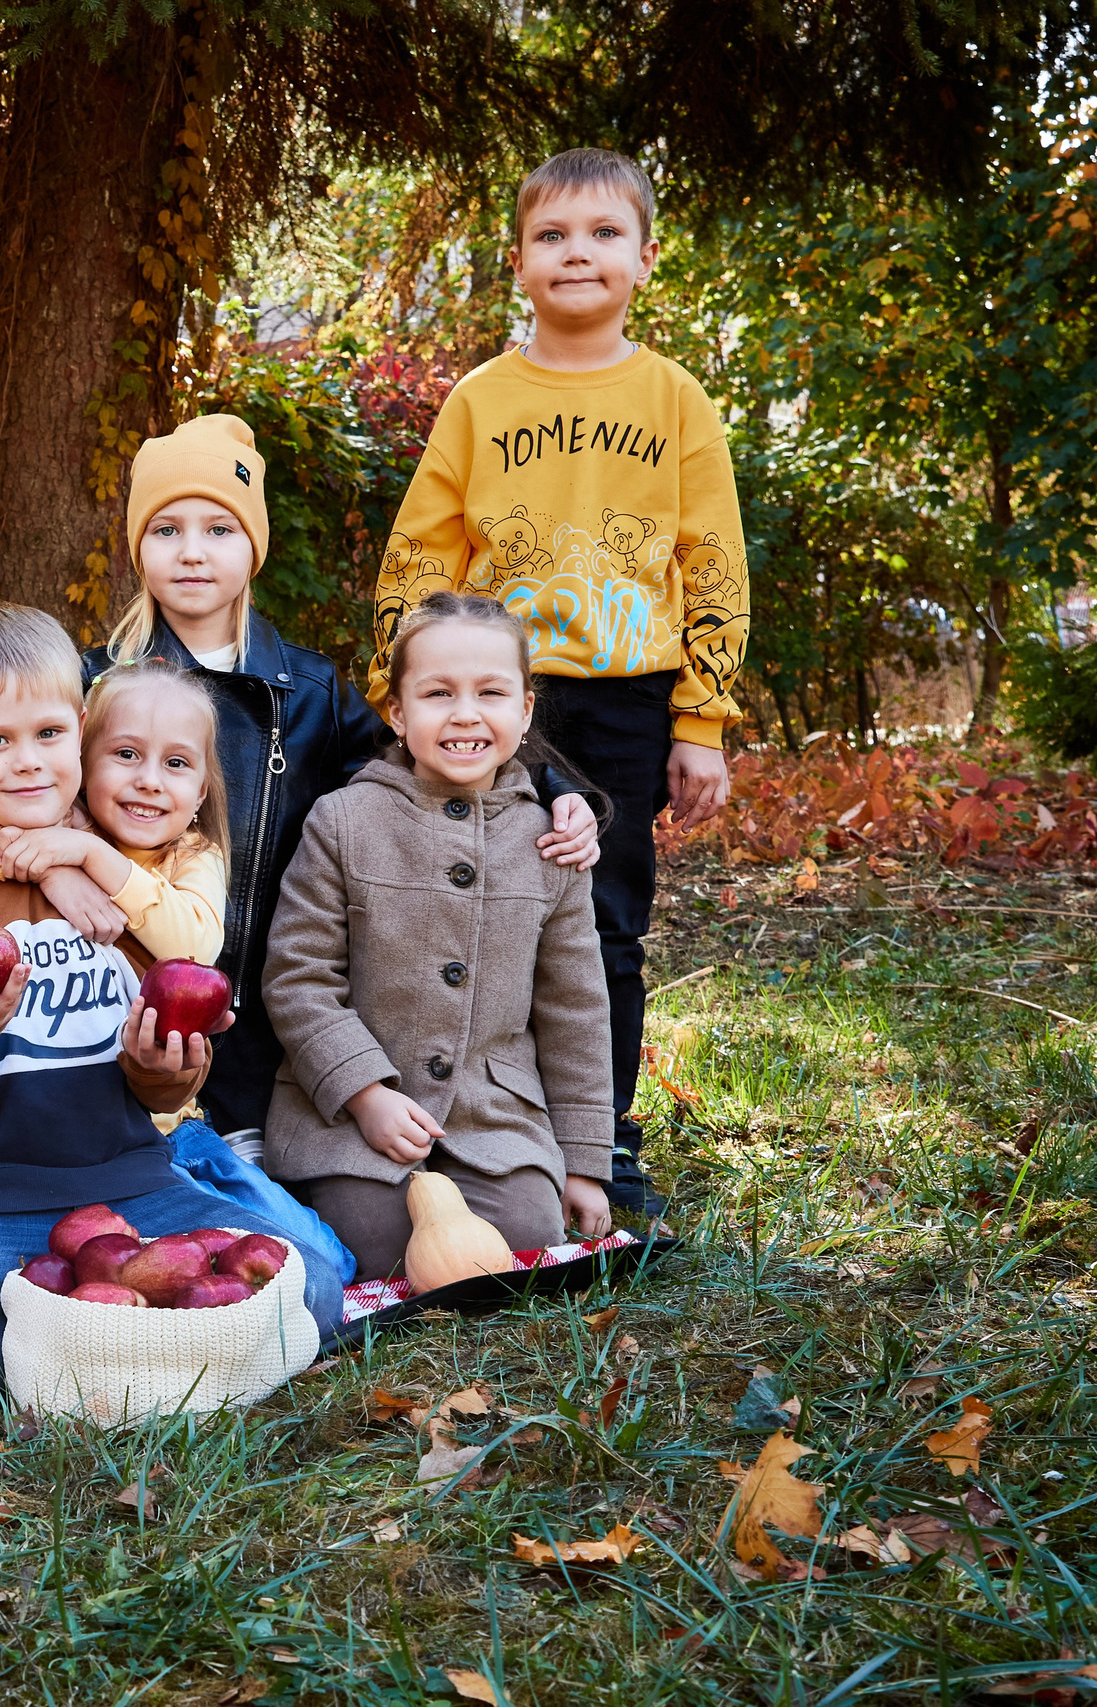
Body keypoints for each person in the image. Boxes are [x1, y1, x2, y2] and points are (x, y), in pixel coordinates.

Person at [368, 147, 748, 1218]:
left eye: (601, 234)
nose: (576, 253)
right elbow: (421, 552)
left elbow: (711, 561)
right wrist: (396, 696)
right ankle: (474, 1119)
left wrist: (700, 717)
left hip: (628, 695)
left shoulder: (676, 401)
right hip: (486, 702)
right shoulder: (481, 401)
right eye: (551, 235)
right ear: (519, 260)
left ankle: (599, 1138)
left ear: (643, 256)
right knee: (474, 906)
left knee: (600, 920)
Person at [86, 414, 600, 1178]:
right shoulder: (97, 678)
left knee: (255, 1205)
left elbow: (429, 749)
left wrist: (558, 789)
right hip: (120, 980)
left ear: (253, 548)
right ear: (137, 547)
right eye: (165, 529)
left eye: (219, 529)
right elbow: (40, 791)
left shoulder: (312, 689)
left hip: (261, 1005)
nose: (192, 551)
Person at [0, 603, 345, 1407]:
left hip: (129, 1181)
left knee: (315, 1290)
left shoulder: (127, 890)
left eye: (49, 735)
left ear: (80, 727)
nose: (27, 763)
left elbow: (162, 1090)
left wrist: (166, 1071)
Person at [261, 593, 615, 1280]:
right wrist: (363, 1091)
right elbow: (298, 976)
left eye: (490, 692)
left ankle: (526, 1179)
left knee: (526, 1234)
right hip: (354, 1118)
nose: (464, 713)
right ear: (396, 711)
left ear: (525, 709)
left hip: (494, 1121)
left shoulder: (552, 842)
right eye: (437, 693)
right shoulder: (343, 822)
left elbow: (576, 1009)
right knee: (370, 1243)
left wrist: (583, 1163)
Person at [0, 657, 230, 966]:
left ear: (200, 792)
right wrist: (45, 867)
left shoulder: (193, 856)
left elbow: (195, 951)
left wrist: (93, 854)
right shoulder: (56, 825)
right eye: (126, 754)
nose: (150, 781)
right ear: (82, 760)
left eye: (176, 762)